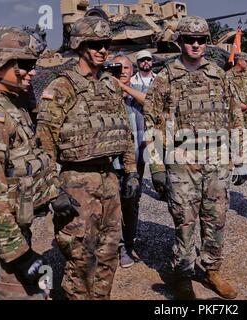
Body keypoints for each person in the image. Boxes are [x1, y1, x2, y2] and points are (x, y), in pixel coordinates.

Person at [143, 16, 247, 300]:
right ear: (180, 42)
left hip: (217, 162)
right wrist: (156, 166)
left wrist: (242, 158)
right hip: (181, 164)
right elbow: (150, 124)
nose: (196, 45)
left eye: (201, 40)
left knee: (216, 220)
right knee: (185, 222)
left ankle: (212, 269)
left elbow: (236, 116)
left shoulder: (218, 74)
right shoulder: (165, 78)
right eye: (190, 39)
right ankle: (183, 275)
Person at [36, 16, 139, 300]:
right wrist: (52, 190)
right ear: (80, 45)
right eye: (95, 44)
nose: (102, 50)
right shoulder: (62, 87)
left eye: (105, 44)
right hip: (76, 181)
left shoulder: (110, 85)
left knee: (108, 254)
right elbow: (44, 142)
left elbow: (124, 131)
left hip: (109, 178)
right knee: (81, 256)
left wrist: (130, 171)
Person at [0, 27, 79, 299]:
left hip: (11, 235)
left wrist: (53, 192)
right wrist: (20, 255)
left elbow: (28, 164)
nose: (33, 71)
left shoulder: (14, 106)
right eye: (26, 64)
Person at [111, 53, 147, 268]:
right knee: (109, 205)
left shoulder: (138, 93)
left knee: (130, 204)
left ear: (132, 71)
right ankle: (111, 245)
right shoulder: (103, 92)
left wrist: (123, 88)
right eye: (117, 68)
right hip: (109, 162)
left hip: (135, 160)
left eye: (126, 67)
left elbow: (150, 102)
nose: (122, 71)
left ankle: (127, 245)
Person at [226, 52, 247, 150]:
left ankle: (245, 159)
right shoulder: (227, 75)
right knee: (236, 136)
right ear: (239, 61)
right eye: (246, 61)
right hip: (235, 112)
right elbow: (226, 95)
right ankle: (236, 159)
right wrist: (238, 105)